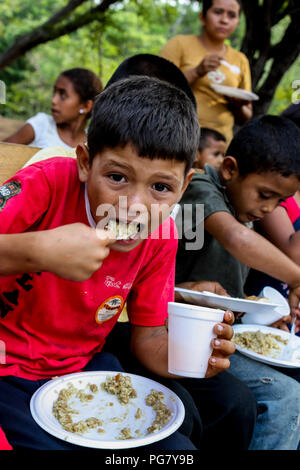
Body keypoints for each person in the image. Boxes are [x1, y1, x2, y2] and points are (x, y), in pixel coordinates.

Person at [0, 76, 257, 451]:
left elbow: (149, 337)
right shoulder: (47, 184)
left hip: (83, 369)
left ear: (184, 187)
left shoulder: (162, 235)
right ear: (86, 162)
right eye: (117, 177)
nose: (135, 206)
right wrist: (38, 251)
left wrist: (194, 358)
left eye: (160, 187)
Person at [175, 115, 300, 450]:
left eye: (279, 201)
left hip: (220, 333)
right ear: (230, 169)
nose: (269, 208)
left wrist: (258, 311)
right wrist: (296, 276)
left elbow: (226, 289)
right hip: (178, 330)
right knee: (286, 396)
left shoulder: (245, 209)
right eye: (265, 195)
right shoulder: (202, 188)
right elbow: (233, 238)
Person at [159, 0, 253, 145]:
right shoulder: (179, 44)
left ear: (237, 22)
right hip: (176, 137)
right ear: (202, 17)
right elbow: (155, 89)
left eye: (232, 15)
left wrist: (238, 105)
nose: (224, 20)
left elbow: (246, 116)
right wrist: (197, 71)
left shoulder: (240, 60)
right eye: (218, 12)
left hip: (219, 146)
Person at [3, 67, 102, 149]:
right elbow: (3, 151)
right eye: (55, 92)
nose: (54, 100)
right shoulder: (41, 125)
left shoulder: (91, 145)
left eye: (63, 95)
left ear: (85, 106)